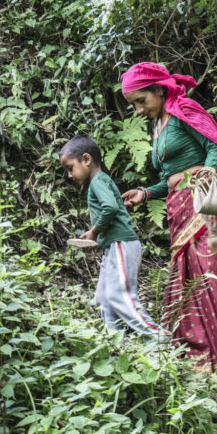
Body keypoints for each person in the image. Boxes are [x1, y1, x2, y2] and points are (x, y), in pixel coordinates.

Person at [120, 63, 217, 375]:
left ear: (159, 90)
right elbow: (172, 179)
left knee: (215, 278)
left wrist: (205, 181)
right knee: (191, 283)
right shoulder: (158, 124)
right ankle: (205, 361)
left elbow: (215, 149)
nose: (138, 110)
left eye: (141, 101)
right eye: (133, 104)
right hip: (180, 206)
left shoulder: (184, 110)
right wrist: (145, 194)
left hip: (207, 206)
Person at [60, 136, 167, 341]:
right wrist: (97, 237)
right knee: (104, 299)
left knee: (120, 297)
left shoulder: (98, 181)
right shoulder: (99, 181)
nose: (69, 175)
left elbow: (110, 207)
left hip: (122, 244)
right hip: (113, 245)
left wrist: (94, 231)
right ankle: (120, 346)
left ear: (86, 159)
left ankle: (157, 337)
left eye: (70, 168)